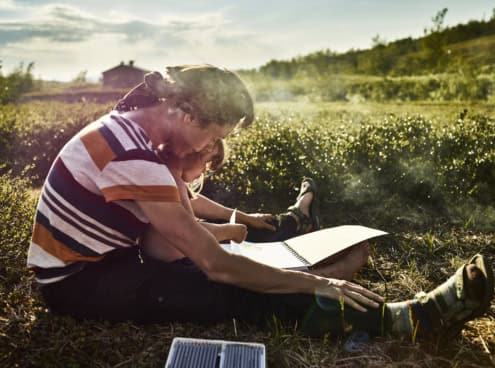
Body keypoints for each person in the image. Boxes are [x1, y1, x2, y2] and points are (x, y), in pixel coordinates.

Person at [27, 64, 493, 341]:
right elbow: (215, 263)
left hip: (113, 260)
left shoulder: (129, 131)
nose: (210, 147)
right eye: (215, 134)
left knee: (234, 274)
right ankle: (404, 320)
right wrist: (312, 283)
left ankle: (333, 285)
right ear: (184, 113)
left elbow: (179, 231)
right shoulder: (133, 153)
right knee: (228, 290)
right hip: (80, 282)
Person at [142, 138, 371, 280]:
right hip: (177, 262)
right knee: (241, 264)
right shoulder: (162, 174)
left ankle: (296, 219)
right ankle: (320, 274)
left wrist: (243, 219)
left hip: (184, 250)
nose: (204, 171)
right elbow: (178, 233)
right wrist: (230, 230)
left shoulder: (171, 177)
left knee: (252, 226)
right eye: (205, 161)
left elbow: (194, 203)